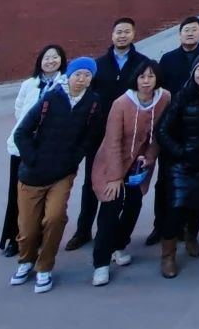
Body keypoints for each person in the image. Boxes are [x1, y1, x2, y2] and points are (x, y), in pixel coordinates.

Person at [9, 56, 103, 295]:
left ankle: (45, 267)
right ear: (69, 75)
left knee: (55, 218)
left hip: (62, 173)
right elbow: (21, 133)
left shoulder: (93, 103)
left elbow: (90, 137)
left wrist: (74, 159)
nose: (82, 79)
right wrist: (32, 159)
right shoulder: (51, 98)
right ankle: (26, 260)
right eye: (78, 74)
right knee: (28, 228)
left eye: (87, 75)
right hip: (32, 174)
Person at [66, 17, 151, 252]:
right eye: (118, 32)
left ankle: (112, 232)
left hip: (129, 135)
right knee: (92, 182)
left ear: (133, 34)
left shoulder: (142, 64)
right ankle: (83, 230)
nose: (122, 36)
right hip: (99, 134)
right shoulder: (98, 65)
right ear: (112, 35)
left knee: (124, 184)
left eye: (126, 31)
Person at [89, 59, 170, 286]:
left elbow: (159, 133)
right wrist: (115, 177)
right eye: (142, 76)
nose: (146, 81)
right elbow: (113, 141)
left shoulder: (164, 98)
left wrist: (150, 156)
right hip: (113, 162)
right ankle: (101, 263)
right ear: (135, 79)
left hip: (139, 165)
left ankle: (119, 245)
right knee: (110, 208)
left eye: (151, 76)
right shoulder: (121, 103)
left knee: (134, 204)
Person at [155, 51, 199, 279]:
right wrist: (180, 152)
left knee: (198, 205)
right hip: (181, 164)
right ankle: (168, 255)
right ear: (193, 72)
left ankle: (192, 236)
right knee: (175, 208)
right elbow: (162, 130)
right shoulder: (181, 96)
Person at [150, 17, 199, 246]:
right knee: (165, 185)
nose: (190, 33)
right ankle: (160, 227)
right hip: (174, 133)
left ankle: (188, 231)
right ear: (179, 34)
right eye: (186, 30)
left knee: (198, 192)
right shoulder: (168, 59)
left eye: (194, 30)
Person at [1, 44, 66, 257]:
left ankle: (36, 237)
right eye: (47, 57)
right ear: (40, 61)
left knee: (44, 196)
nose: (50, 61)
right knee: (17, 194)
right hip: (23, 147)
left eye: (55, 57)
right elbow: (19, 110)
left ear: (62, 61)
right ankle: (14, 238)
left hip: (49, 150)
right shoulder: (29, 84)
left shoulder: (65, 85)